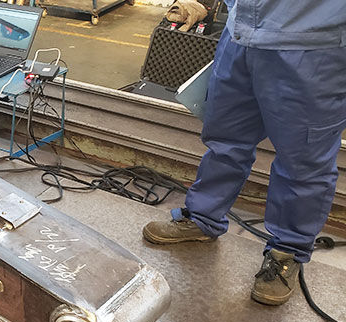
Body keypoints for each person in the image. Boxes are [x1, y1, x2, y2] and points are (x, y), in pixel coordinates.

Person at [143, 0, 346, 306]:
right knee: (225, 141)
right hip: (240, 36)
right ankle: (203, 217)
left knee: (303, 161)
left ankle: (287, 251)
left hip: (311, 44)